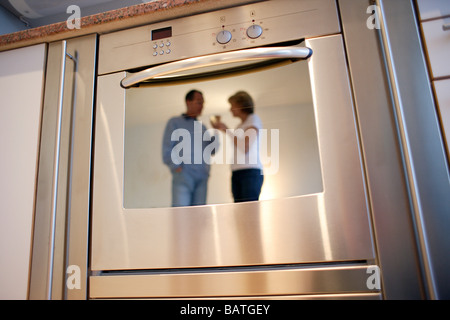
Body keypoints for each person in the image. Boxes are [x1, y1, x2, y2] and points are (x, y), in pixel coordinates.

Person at [162, 89, 217, 207]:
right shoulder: (174, 122)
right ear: (188, 102)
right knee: (181, 216)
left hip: (202, 179)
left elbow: (213, 150)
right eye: (198, 102)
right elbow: (167, 149)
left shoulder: (203, 128)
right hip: (183, 176)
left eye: (203, 103)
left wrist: (216, 130)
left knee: (199, 218)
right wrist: (177, 167)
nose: (202, 106)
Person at [211, 91, 264, 203]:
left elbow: (245, 147)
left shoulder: (253, 119)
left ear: (241, 104)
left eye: (232, 105)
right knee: (239, 213)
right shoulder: (240, 126)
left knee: (248, 212)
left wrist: (226, 130)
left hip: (250, 172)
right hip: (237, 172)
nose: (230, 109)